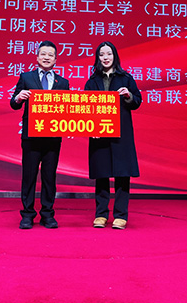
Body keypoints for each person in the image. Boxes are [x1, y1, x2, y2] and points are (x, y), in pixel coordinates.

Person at [10, 41, 70, 229]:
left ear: (55, 59)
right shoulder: (26, 77)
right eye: (43, 54)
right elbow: (14, 103)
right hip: (31, 137)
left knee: (49, 177)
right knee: (29, 176)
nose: (46, 57)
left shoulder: (63, 82)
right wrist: (19, 97)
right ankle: (27, 214)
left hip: (53, 138)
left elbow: (67, 110)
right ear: (37, 57)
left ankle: (47, 214)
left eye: (50, 55)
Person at [84, 41, 141, 230]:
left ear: (115, 56)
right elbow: (86, 109)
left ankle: (120, 215)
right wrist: (91, 129)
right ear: (98, 58)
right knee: (101, 174)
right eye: (102, 54)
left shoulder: (126, 78)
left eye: (109, 54)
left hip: (121, 134)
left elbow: (137, 101)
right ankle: (101, 214)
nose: (105, 57)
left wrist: (128, 96)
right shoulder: (92, 81)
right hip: (99, 134)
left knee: (122, 175)